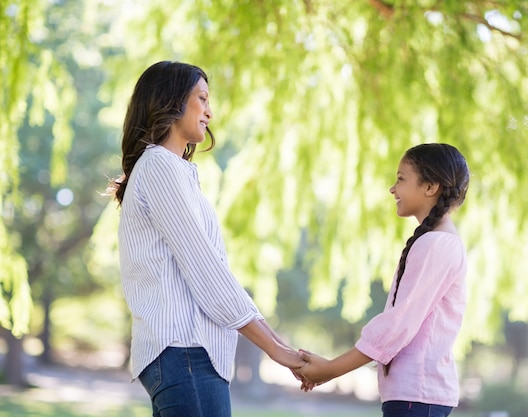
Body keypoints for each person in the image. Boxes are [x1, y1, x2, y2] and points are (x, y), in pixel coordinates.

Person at [108, 61, 305, 417]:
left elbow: (212, 274)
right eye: (202, 98)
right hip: (184, 353)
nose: (210, 112)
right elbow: (208, 276)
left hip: (189, 357)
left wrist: (281, 346)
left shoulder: (172, 171)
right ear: (171, 101)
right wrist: (277, 352)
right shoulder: (159, 167)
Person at [297, 143, 470, 417]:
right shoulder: (434, 242)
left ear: (430, 187)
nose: (393, 189)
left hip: (417, 397)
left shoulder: (437, 244)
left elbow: (396, 326)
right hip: (414, 396)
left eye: (401, 179)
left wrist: (330, 369)